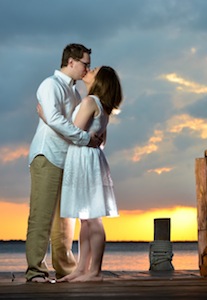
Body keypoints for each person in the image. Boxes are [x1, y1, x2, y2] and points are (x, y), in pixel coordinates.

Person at [26, 43, 101, 283]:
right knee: (42, 215)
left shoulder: (76, 92)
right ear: (71, 62)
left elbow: (58, 120)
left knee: (65, 219)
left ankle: (65, 268)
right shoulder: (51, 85)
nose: (86, 69)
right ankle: (35, 271)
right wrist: (85, 139)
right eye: (84, 64)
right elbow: (56, 120)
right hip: (47, 155)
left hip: (67, 159)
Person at [56, 66, 123, 282]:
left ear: (100, 80)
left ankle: (94, 271)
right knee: (86, 218)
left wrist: (48, 118)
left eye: (94, 70)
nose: (89, 70)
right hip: (90, 159)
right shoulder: (101, 106)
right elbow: (102, 141)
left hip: (84, 159)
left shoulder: (90, 102)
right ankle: (82, 268)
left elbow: (72, 133)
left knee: (92, 218)